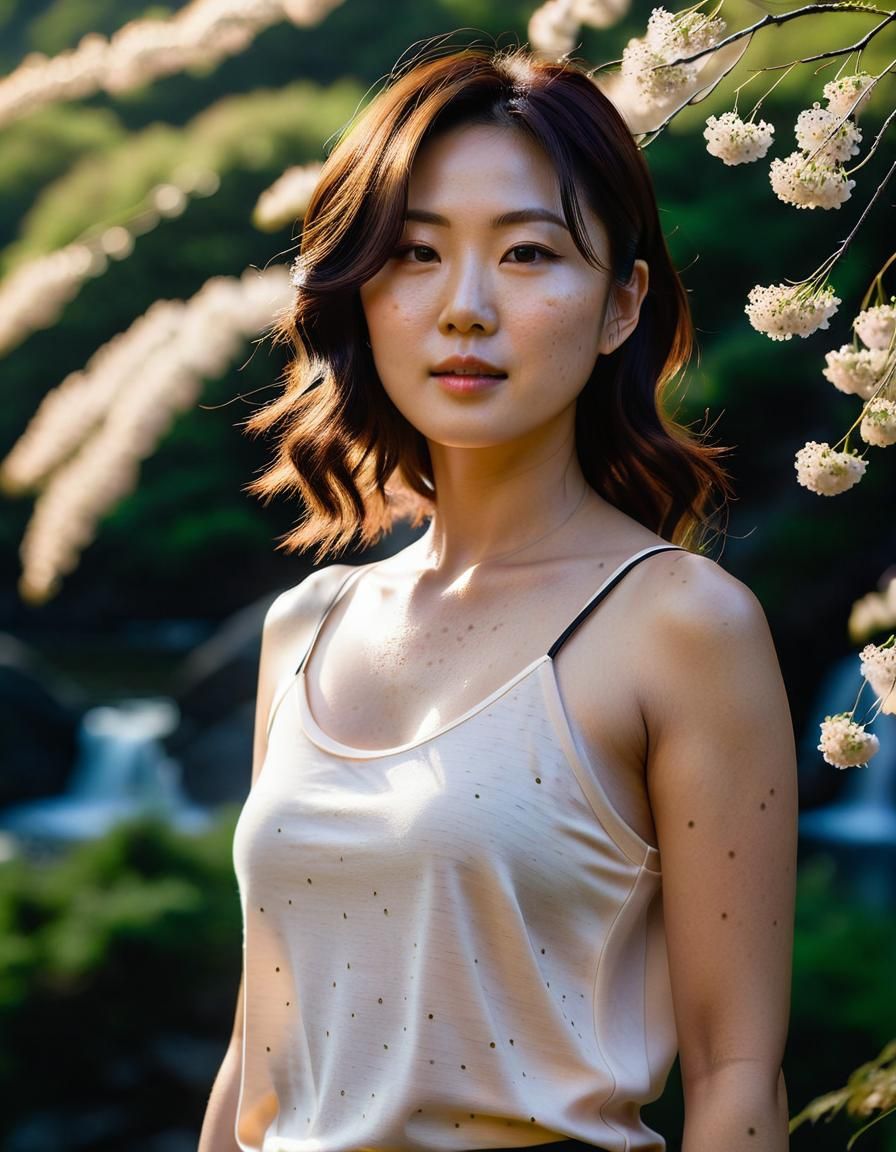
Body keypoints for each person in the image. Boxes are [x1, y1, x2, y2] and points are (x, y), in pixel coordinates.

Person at [199, 42, 798, 1152]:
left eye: (527, 253)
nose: (465, 307)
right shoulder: (306, 627)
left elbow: (734, 1081)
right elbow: (258, 1064)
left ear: (620, 305)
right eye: (415, 253)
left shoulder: (678, 627)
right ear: (360, 291)